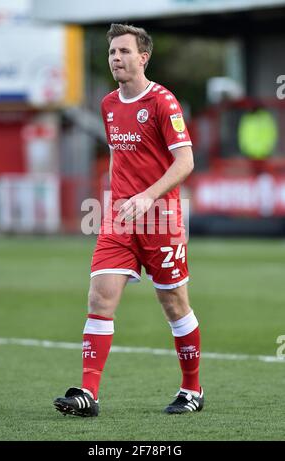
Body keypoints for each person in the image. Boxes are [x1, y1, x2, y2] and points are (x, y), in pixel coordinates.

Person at [54, 23, 203, 417]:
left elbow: (186, 160)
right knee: (99, 298)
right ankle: (88, 394)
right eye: (111, 52)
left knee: (174, 304)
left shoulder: (163, 102)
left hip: (161, 220)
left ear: (143, 57)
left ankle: (192, 389)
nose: (115, 58)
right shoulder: (107, 105)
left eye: (123, 51)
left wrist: (148, 195)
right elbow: (123, 158)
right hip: (120, 219)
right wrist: (121, 198)